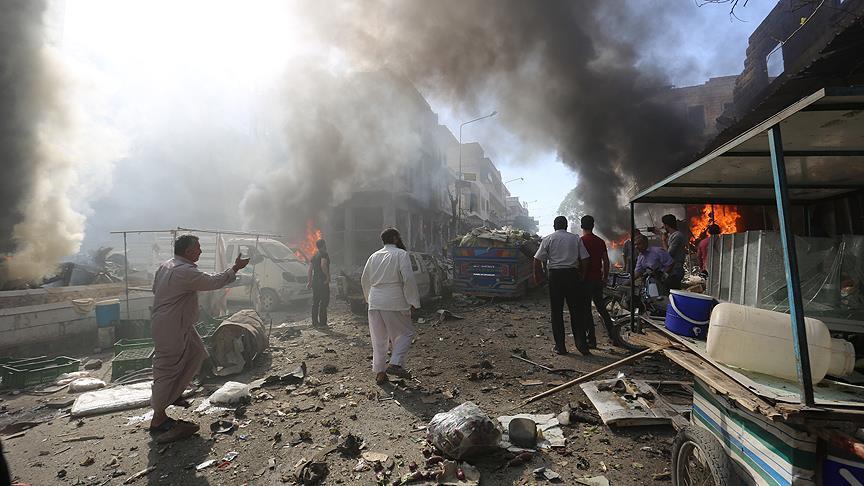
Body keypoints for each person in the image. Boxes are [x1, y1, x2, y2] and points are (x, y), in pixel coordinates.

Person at [148, 234, 249, 442]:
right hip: (171, 326)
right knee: (166, 369)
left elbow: (155, 289)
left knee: (197, 353)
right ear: (187, 251)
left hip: (178, 323)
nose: (201, 251)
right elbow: (212, 282)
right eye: (198, 248)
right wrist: (235, 268)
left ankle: (174, 394)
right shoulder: (183, 271)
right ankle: (158, 420)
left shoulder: (167, 265)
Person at [361, 228, 420, 384]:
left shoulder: (374, 256)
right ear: (395, 238)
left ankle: (380, 373)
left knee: (379, 339)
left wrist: (368, 299)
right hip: (394, 300)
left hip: (375, 301)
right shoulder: (401, 254)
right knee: (405, 334)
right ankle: (395, 363)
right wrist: (413, 301)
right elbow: (408, 279)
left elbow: (365, 280)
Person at [534, 216, 592, 356]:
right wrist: (582, 275)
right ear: (566, 226)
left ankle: (560, 347)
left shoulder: (548, 239)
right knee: (576, 311)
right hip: (572, 275)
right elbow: (585, 259)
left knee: (556, 312)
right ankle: (581, 345)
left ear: (554, 226)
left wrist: (538, 277)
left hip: (555, 277)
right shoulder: (575, 238)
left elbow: (536, 260)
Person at [579, 215, 618, 348]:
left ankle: (592, 340)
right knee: (601, 308)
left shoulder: (580, 241)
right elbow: (606, 261)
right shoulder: (600, 241)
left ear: (582, 226)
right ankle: (613, 335)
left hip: (585, 280)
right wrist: (605, 277)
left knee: (586, 310)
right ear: (593, 226)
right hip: (597, 279)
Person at [653, 214, 685, 289]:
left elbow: (668, 255)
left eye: (664, 225)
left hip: (676, 270)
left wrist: (663, 240)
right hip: (672, 270)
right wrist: (661, 235)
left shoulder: (677, 236)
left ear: (667, 225)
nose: (663, 227)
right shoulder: (672, 236)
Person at [307, 239, 330, 327]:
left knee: (315, 302)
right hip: (322, 281)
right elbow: (323, 265)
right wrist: (327, 276)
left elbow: (310, 270)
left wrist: (309, 281)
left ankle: (315, 322)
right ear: (323, 245)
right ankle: (322, 323)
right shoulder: (324, 254)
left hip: (315, 281)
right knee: (324, 302)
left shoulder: (314, 255)